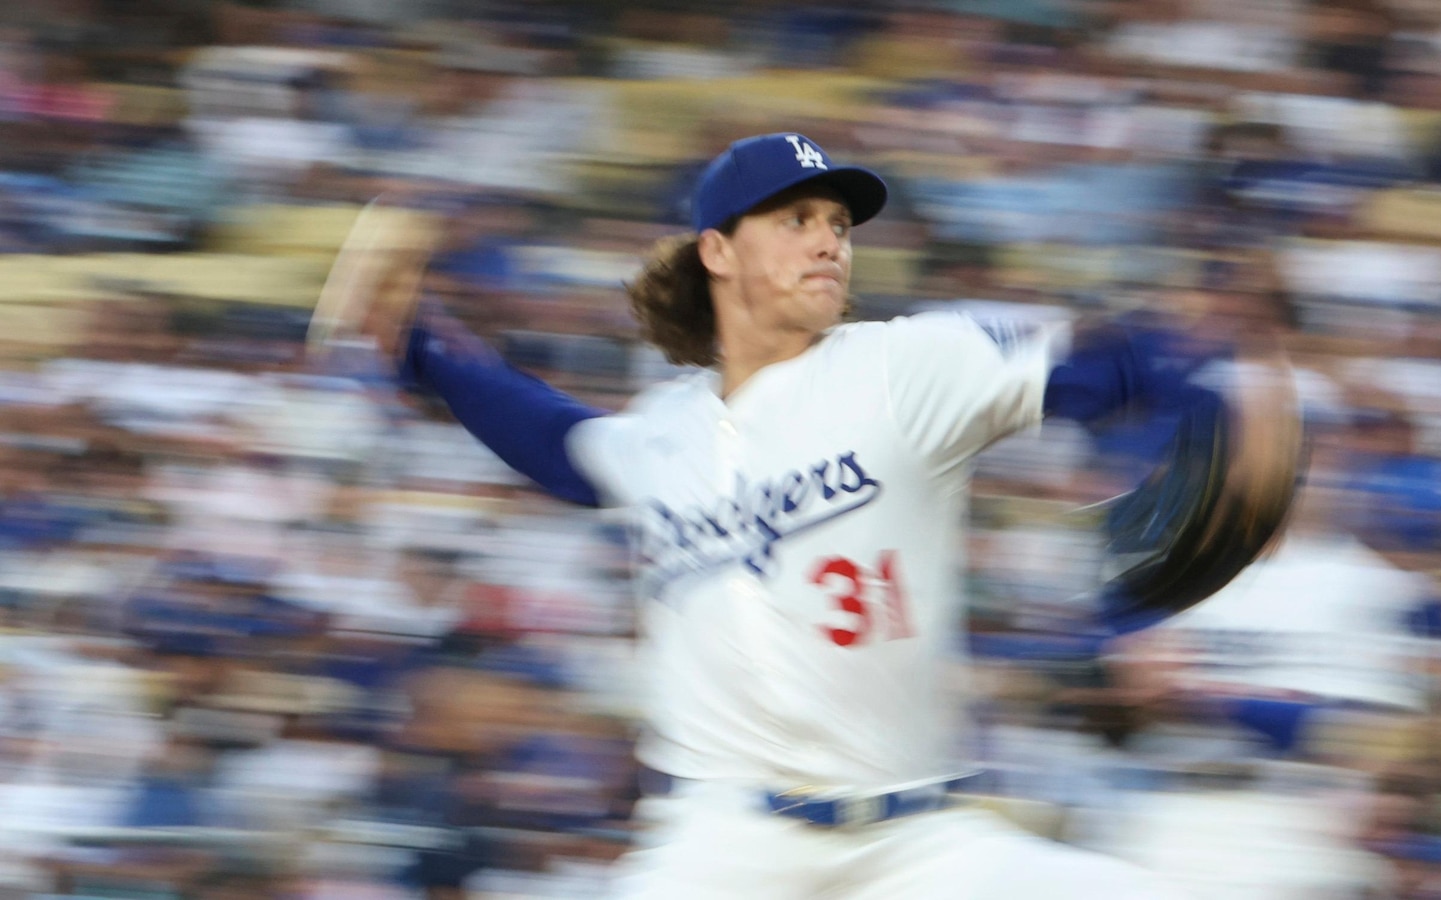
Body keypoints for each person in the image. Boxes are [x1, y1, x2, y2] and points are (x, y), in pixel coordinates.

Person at [393, 133, 1214, 898]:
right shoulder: (661, 432)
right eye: (796, 220)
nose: (829, 242)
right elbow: (560, 444)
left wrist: (1224, 410)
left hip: (920, 842)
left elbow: (1113, 366)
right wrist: (421, 346)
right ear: (716, 250)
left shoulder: (902, 366)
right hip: (724, 843)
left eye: (838, 225)